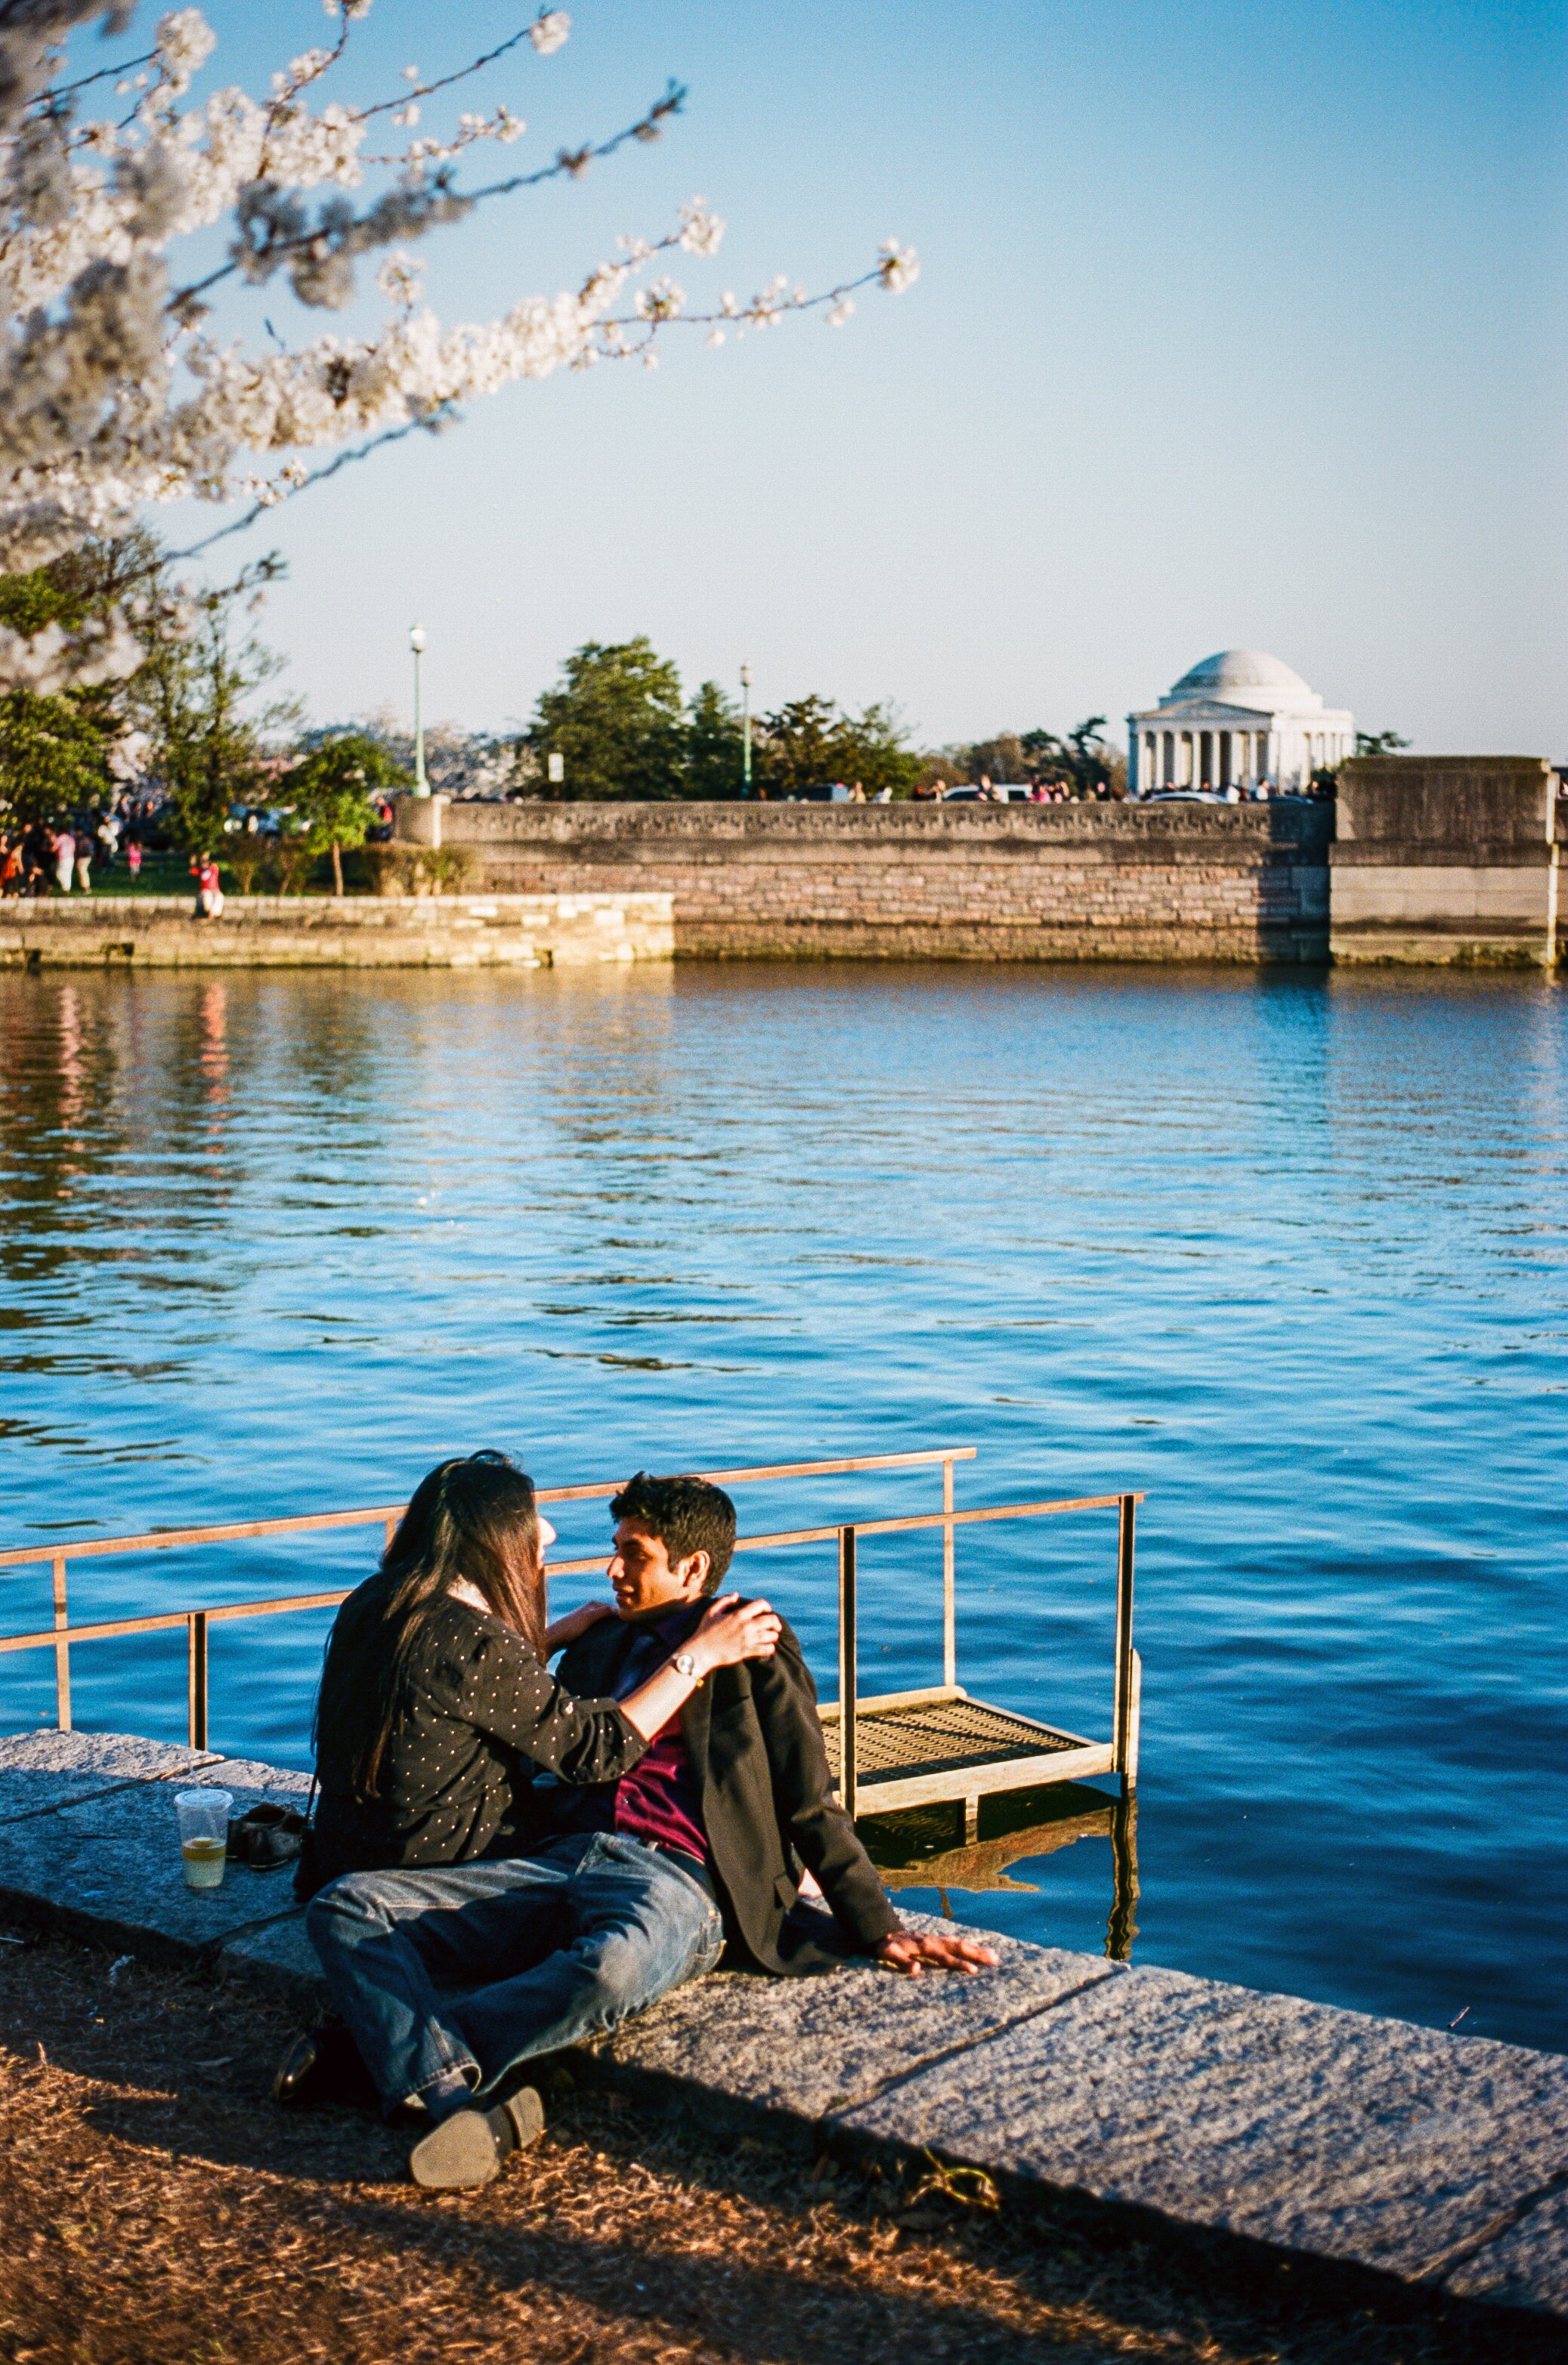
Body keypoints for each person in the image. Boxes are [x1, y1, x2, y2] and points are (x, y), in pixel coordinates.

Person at [298, 1464, 995, 2192]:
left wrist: (877, 1923)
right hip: (558, 1857)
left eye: (634, 1554)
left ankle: (382, 2054)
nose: (611, 1569)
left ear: (691, 1567)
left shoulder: (751, 1641)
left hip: (674, 1877)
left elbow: (808, 1795)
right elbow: (557, 1736)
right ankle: (433, 2073)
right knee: (347, 1906)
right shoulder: (600, 1642)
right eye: (615, 1547)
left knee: (614, 1966)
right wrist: (559, 1638)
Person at [291, 1453, 784, 2190]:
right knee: (359, 1911)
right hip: (465, 1857)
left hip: (363, 1852)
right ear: (497, 1545)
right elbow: (596, 1748)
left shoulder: (378, 1601)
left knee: (348, 1907)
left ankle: (395, 2059)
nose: (547, 1542)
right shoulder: (472, 1640)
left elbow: (456, 1678)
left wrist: (547, 1641)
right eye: (531, 1532)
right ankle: (448, 2090)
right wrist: (694, 1655)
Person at [52, 825, 74, 893]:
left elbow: (54, 848)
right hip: (71, 858)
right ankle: (67, 888)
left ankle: (65, 887)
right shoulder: (71, 839)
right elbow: (74, 848)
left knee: (59, 874)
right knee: (68, 874)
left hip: (63, 858)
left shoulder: (60, 838)